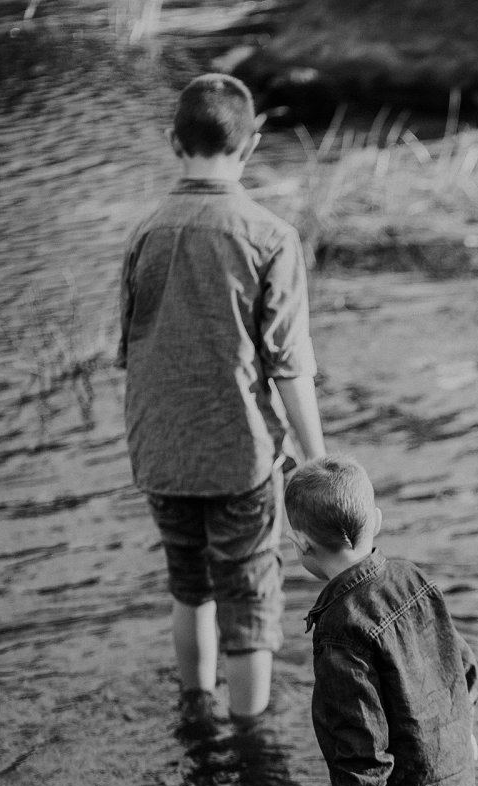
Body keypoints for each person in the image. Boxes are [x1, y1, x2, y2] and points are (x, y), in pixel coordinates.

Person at [118, 72, 326, 729]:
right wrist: (316, 462)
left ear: (174, 140)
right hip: (238, 451)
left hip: (161, 450)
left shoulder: (144, 233)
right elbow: (289, 364)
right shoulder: (269, 236)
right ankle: (249, 736)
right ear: (253, 141)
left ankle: (196, 710)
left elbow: (127, 347)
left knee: (190, 586)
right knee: (248, 589)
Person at [285, 455, 478, 786]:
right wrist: (464, 731)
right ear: (377, 519)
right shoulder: (413, 578)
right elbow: (459, 662)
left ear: (302, 545)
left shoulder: (340, 629)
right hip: (446, 781)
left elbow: (361, 737)